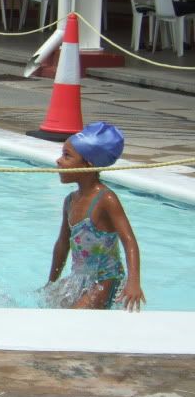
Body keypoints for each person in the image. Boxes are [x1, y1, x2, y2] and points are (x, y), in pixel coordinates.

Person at [46, 122, 144, 311]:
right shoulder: (70, 201)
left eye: (67, 156)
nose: (59, 161)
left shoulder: (106, 199)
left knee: (73, 319)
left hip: (105, 281)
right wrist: (52, 282)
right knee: (47, 309)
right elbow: (62, 244)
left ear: (88, 163)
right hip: (79, 279)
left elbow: (129, 240)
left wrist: (134, 282)